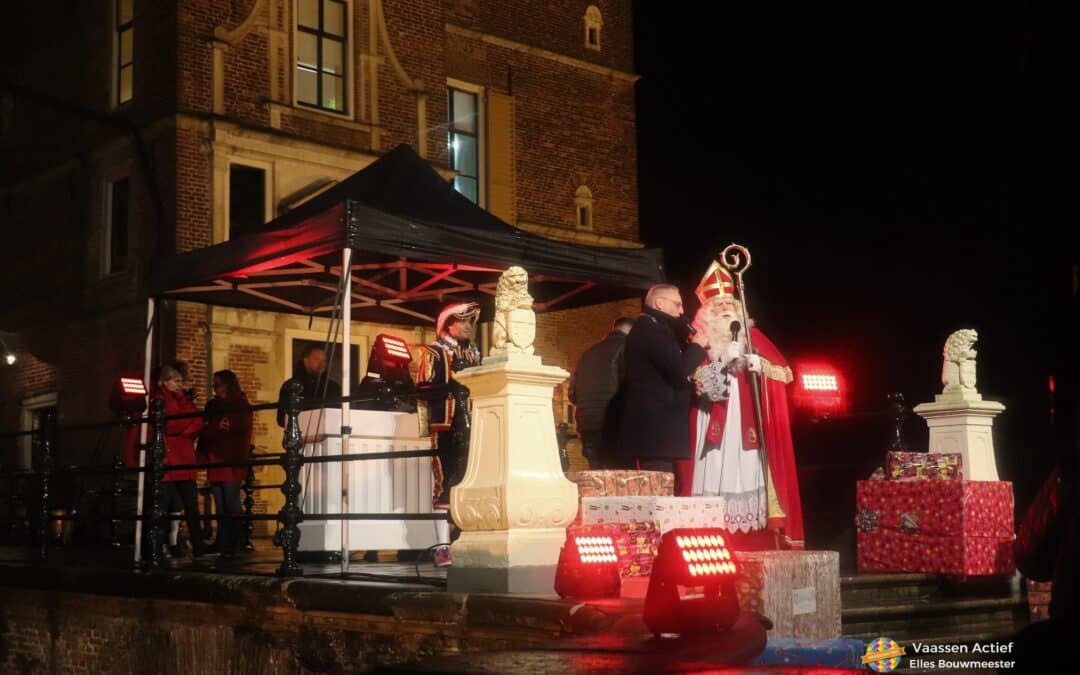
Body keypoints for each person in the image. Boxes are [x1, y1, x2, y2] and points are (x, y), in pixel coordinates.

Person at [676, 262, 804, 550]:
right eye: (717, 305)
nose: (724, 309)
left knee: (748, 467)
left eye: (729, 304)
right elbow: (698, 386)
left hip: (747, 423)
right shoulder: (700, 342)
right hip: (713, 417)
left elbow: (783, 373)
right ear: (705, 314)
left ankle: (752, 535)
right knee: (715, 466)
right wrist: (720, 362)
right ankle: (713, 529)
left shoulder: (753, 336)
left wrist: (758, 364)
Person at [616, 284, 709, 492]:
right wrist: (697, 346)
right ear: (659, 303)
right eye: (677, 304)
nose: (682, 311)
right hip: (656, 432)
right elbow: (679, 368)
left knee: (661, 487)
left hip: (656, 430)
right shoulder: (651, 330)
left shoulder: (653, 327)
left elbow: (664, 372)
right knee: (659, 490)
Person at [415, 301, 482, 566]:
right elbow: (422, 388)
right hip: (447, 425)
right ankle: (442, 547)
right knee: (446, 483)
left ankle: (465, 542)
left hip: (474, 424)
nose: (468, 327)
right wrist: (452, 383)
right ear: (448, 325)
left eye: (470, 322)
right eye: (463, 321)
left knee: (469, 482)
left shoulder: (474, 354)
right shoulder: (433, 352)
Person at [152, 364, 207, 557]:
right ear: (165, 381)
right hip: (170, 458)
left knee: (192, 506)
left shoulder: (183, 399)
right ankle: (160, 546)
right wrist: (184, 426)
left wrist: (182, 429)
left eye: (181, 381)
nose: (180, 385)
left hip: (184, 458)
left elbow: (198, 420)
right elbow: (169, 425)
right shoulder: (159, 399)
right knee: (165, 506)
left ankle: (199, 546)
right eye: (176, 381)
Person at [199, 370, 253, 557]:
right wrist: (215, 429)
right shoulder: (213, 406)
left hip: (231, 459)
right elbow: (206, 429)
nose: (215, 388)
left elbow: (237, 430)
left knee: (231, 500)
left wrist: (216, 429)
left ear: (228, 385)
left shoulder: (239, 404)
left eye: (218, 384)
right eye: (214, 384)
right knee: (220, 502)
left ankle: (237, 541)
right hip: (216, 457)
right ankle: (223, 541)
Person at [569, 317, 634, 468]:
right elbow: (630, 388)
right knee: (620, 479)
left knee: (597, 475)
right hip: (615, 425)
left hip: (587, 426)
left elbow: (572, 394)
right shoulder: (627, 349)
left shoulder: (587, 354)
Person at [276, 344, 343, 427]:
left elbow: (340, 414)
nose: (322, 364)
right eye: (317, 359)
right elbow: (282, 418)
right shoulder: (291, 386)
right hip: (300, 436)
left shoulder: (333, 387)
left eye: (324, 360)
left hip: (330, 436)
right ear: (306, 361)